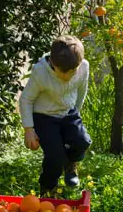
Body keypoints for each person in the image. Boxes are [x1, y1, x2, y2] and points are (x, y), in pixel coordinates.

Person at [18, 35, 91, 197]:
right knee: (55, 156)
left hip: (68, 112)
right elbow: (26, 99)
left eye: (73, 71)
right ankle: (47, 188)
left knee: (82, 141)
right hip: (44, 117)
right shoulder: (40, 71)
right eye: (62, 73)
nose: (68, 76)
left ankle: (70, 164)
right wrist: (28, 129)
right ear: (52, 62)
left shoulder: (83, 67)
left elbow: (81, 91)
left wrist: (76, 113)